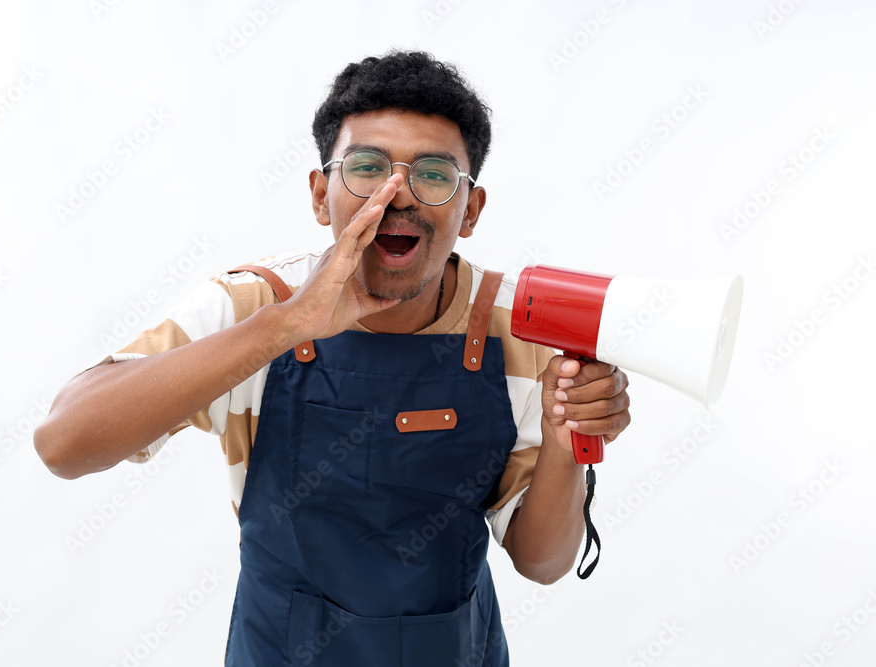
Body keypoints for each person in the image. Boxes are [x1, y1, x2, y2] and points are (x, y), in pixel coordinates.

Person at [34, 50, 631, 666]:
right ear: (321, 196)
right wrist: (286, 324)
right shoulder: (252, 305)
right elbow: (63, 443)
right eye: (367, 168)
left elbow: (542, 562)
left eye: (433, 174)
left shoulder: (519, 329)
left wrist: (567, 439)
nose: (396, 196)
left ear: (470, 210)